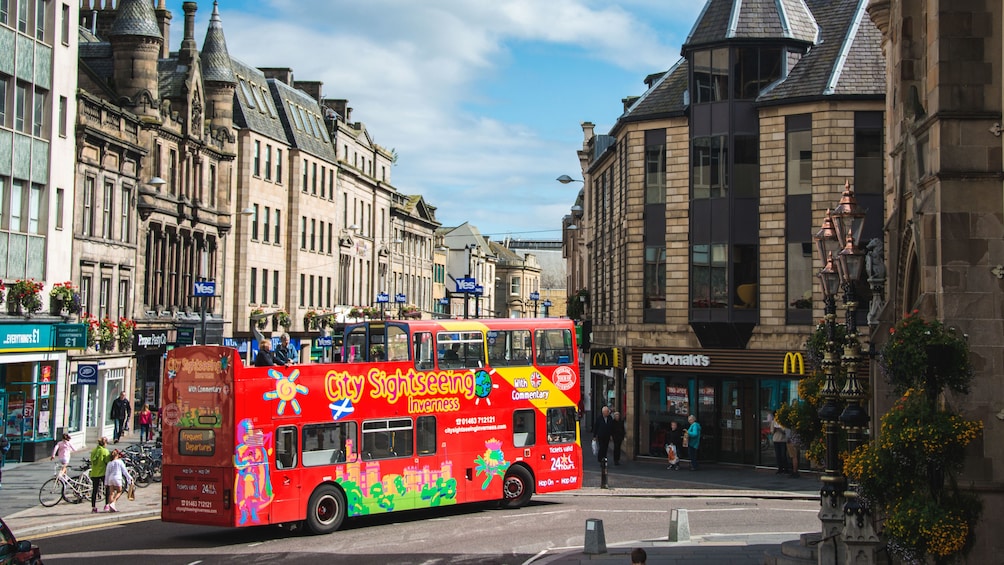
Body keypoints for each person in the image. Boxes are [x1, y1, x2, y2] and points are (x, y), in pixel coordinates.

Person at [89, 437, 110, 513]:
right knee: (107, 488)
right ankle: (107, 505)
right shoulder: (105, 451)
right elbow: (107, 461)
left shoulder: (94, 451)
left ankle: (93, 507)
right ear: (105, 443)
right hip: (103, 472)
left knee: (94, 490)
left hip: (94, 473)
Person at [771, 410, 790, 475]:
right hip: (776, 439)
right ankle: (780, 468)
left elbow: (786, 431)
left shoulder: (782, 422)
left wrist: (781, 430)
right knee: (778, 455)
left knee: (783, 455)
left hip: (783, 440)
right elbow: (771, 431)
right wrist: (774, 429)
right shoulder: (773, 422)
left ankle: (786, 468)